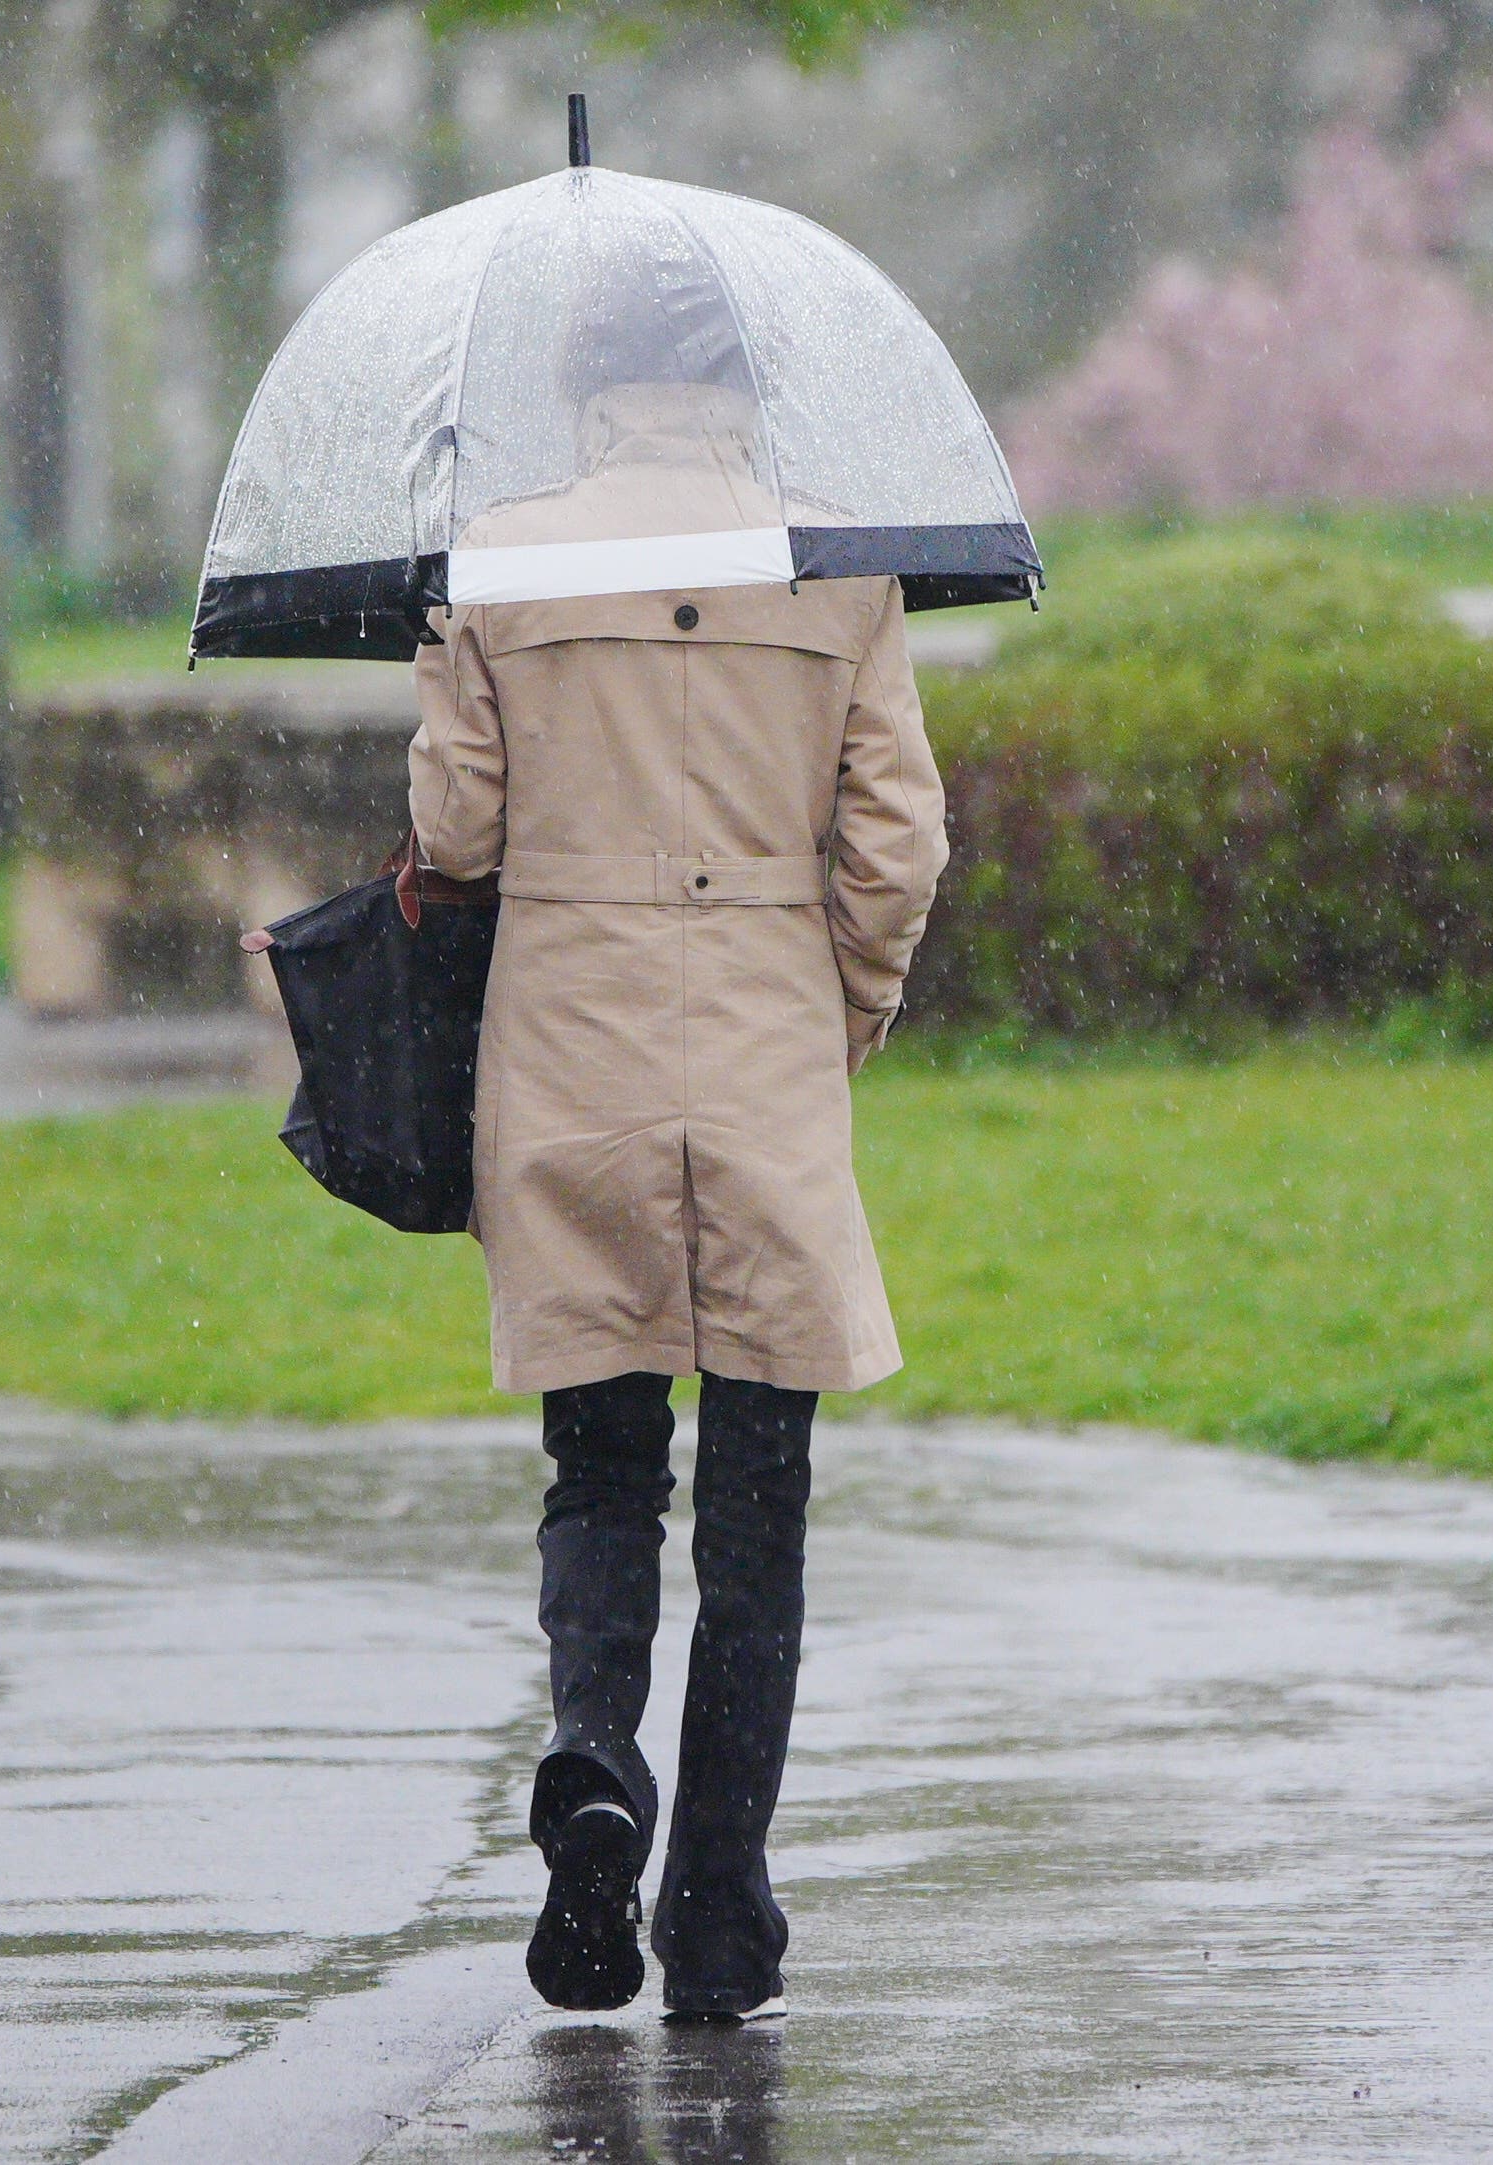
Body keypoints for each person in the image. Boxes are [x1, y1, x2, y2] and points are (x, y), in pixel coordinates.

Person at [407, 363, 949, 2023]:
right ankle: (718, 1906)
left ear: (576, 384)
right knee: (761, 1503)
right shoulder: (841, 568)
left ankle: (592, 1762)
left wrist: (454, 646)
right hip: (767, 1045)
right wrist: (837, 1013)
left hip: (572, 1047)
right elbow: (898, 848)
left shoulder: (500, 554)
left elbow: (460, 824)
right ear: (742, 378)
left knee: (601, 1464)